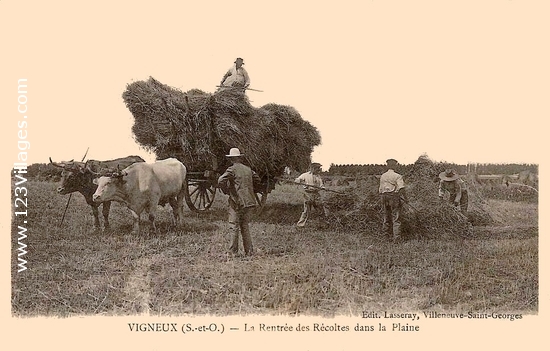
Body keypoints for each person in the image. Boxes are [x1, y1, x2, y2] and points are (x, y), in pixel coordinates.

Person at [218, 147, 260, 256]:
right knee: (245, 226)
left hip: (236, 201)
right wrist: (249, 190)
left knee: (233, 226)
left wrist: (227, 191)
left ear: (231, 159)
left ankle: (233, 252)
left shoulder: (231, 169)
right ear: (240, 158)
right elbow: (257, 180)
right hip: (249, 201)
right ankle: (249, 251)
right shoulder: (248, 169)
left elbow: (220, 180)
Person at [378, 158, 408, 240]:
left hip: (384, 197)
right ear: (395, 166)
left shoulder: (383, 176)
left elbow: (380, 189)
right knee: (396, 218)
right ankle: (397, 238)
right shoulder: (398, 176)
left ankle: (385, 237)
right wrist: (406, 198)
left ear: (387, 166)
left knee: (386, 217)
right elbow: (401, 188)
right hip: (393, 197)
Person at [295, 162, 329, 227]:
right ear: (312, 168)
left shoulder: (318, 176)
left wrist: (323, 188)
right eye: (317, 168)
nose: (319, 170)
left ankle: (324, 225)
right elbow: (298, 179)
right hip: (308, 194)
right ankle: (300, 225)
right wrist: (297, 181)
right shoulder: (305, 175)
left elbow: (321, 185)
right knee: (306, 211)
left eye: (319, 168)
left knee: (320, 210)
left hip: (316, 194)